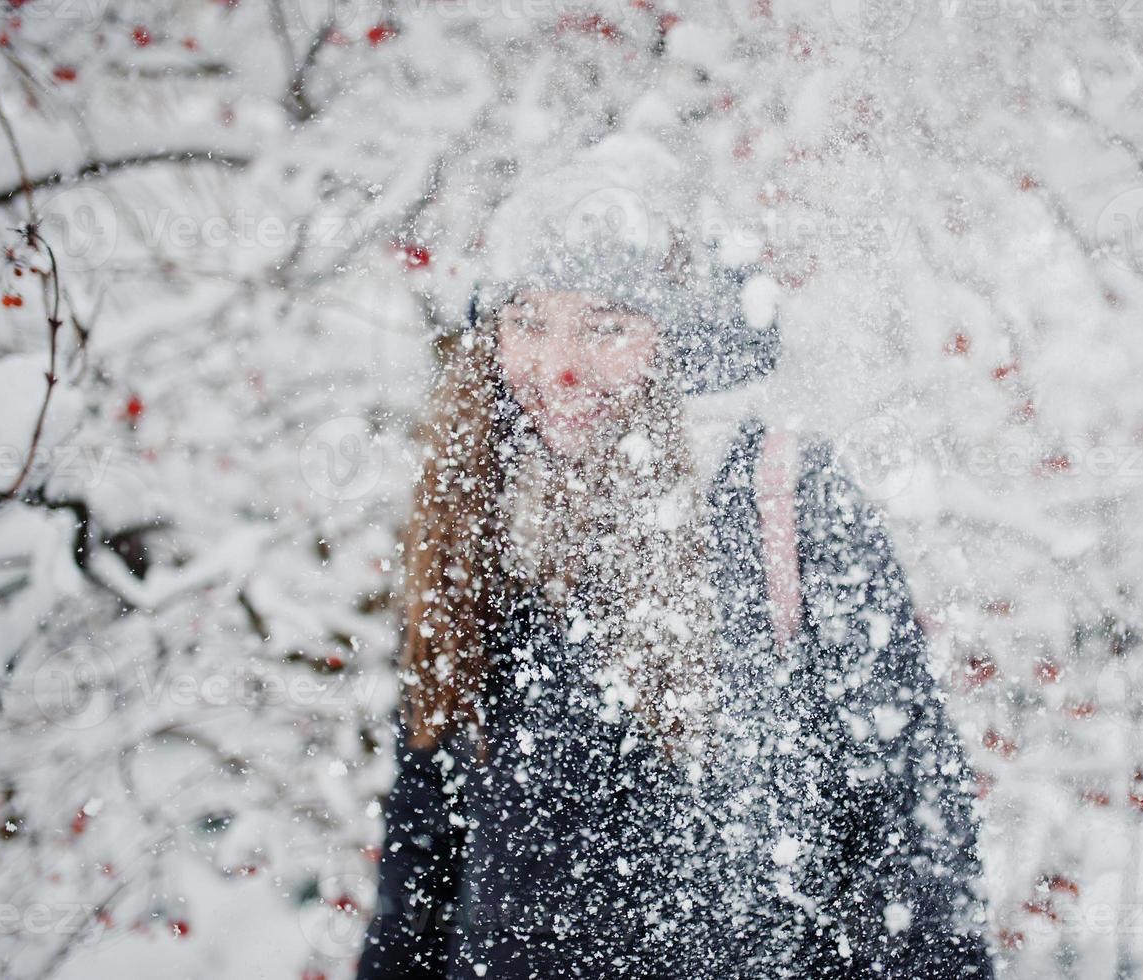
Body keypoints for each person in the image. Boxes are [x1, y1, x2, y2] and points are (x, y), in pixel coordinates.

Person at [354, 131, 994, 979]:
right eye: (526, 320)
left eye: (606, 327)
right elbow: (425, 842)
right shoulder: (484, 509)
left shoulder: (783, 502)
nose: (558, 369)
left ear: (684, 336)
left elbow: (910, 826)